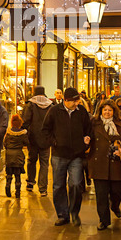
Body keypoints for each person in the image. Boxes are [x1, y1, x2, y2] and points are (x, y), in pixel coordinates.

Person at [42, 87, 91, 227]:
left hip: (76, 155)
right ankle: (62, 215)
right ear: (65, 100)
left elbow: (88, 128)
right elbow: (45, 130)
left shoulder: (81, 112)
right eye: (74, 101)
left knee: (75, 184)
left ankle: (74, 212)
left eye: (78, 101)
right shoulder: (54, 111)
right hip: (59, 155)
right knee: (58, 185)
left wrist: (86, 141)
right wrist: (54, 142)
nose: (76, 104)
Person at [87, 99, 121, 230]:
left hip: (116, 163)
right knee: (101, 195)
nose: (107, 112)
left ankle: (115, 205)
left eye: (110, 110)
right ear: (100, 111)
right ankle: (104, 220)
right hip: (98, 163)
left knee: (117, 191)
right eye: (105, 110)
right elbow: (86, 136)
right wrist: (86, 141)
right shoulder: (94, 123)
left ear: (114, 112)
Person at [22, 85, 52, 196]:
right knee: (44, 164)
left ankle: (30, 182)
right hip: (46, 139)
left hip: (32, 139)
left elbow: (25, 121)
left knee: (31, 160)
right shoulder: (50, 105)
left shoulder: (30, 105)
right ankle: (43, 189)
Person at [3, 113, 29, 198]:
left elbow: (5, 143)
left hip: (9, 155)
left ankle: (7, 186)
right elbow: (27, 143)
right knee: (18, 175)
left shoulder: (9, 133)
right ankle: (17, 192)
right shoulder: (23, 133)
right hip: (18, 155)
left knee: (9, 174)